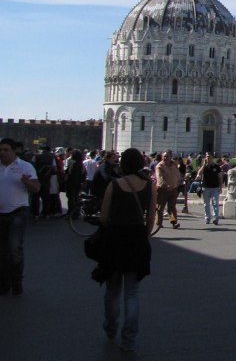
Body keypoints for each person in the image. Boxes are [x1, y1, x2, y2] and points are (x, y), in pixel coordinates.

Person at [96, 148, 156, 352]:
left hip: (115, 238)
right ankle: (128, 338)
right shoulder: (149, 185)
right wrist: (143, 234)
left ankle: (111, 327)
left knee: (113, 290)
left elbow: (103, 217)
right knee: (132, 292)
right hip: (137, 238)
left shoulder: (114, 184)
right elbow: (150, 219)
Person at [0, 137, 40, 295]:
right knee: (2, 250)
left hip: (18, 211)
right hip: (1, 213)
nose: (2, 153)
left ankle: (16, 281)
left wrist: (27, 182)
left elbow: (36, 188)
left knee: (14, 247)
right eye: (0, 150)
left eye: (6, 150)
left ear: (13, 150)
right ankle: (4, 282)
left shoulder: (25, 167)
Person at [154, 150, 180, 229]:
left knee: (172, 207)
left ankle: (173, 222)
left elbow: (177, 174)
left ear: (170, 157)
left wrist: (178, 182)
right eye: (164, 156)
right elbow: (159, 178)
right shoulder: (159, 166)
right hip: (162, 189)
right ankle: (159, 223)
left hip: (173, 189)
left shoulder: (174, 165)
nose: (166, 158)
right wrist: (166, 185)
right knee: (160, 207)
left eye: (167, 156)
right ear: (162, 157)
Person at [196, 154, 223, 225]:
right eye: (206, 156)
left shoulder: (216, 167)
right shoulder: (204, 166)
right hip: (206, 187)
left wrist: (220, 186)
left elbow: (219, 177)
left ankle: (216, 218)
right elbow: (199, 173)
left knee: (215, 203)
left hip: (215, 187)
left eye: (209, 157)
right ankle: (207, 217)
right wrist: (204, 165)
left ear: (212, 158)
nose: (207, 158)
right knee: (206, 204)